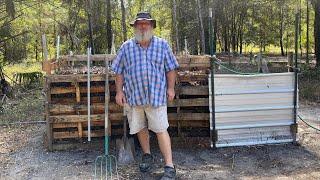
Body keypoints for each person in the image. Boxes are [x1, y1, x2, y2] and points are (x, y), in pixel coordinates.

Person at [111, 12, 179, 180]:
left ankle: (169, 165)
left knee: (161, 129)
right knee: (140, 128)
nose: (142, 26)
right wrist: (119, 92)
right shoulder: (126, 47)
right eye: (139, 24)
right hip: (134, 97)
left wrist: (171, 88)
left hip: (156, 96)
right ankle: (147, 155)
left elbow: (171, 68)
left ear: (152, 26)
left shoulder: (162, 45)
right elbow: (118, 71)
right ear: (134, 27)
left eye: (146, 23)